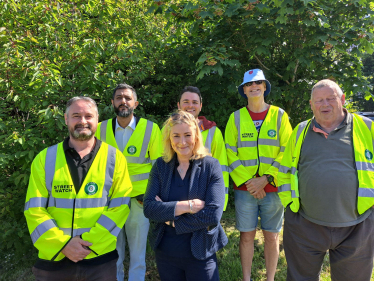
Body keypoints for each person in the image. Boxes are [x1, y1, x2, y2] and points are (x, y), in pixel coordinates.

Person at [24, 97, 132, 281]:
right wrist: (64, 244)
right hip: (55, 259)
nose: (83, 121)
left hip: (99, 260)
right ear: (66, 119)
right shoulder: (45, 158)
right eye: (76, 116)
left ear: (97, 119)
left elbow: (120, 207)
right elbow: (34, 209)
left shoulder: (115, 158)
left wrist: (88, 244)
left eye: (88, 116)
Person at [278, 79, 374, 281]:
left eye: (330, 99)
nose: (325, 104)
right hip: (305, 226)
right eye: (319, 100)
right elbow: (284, 170)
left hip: (357, 226)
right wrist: (290, 206)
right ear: (311, 105)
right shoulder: (300, 131)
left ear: (343, 99)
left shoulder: (366, 127)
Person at [143, 110, 228, 281]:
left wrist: (171, 219)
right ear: (169, 138)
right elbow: (149, 208)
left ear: (196, 135)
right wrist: (186, 206)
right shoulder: (161, 165)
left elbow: (213, 214)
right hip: (167, 252)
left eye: (187, 135)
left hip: (201, 251)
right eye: (176, 136)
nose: (182, 142)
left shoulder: (211, 165)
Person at [225, 69, 292, 281]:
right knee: (246, 236)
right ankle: (247, 279)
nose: (254, 87)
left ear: (265, 87)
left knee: (272, 237)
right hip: (246, 190)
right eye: (249, 84)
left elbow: (287, 150)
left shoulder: (280, 115)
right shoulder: (235, 118)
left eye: (258, 83)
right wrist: (249, 182)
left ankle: (270, 278)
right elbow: (229, 151)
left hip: (272, 188)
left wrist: (265, 179)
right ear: (244, 90)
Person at [95, 83, 162, 281]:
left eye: (127, 97)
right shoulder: (100, 129)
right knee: (112, 253)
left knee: (138, 254)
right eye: (118, 98)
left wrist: (151, 196)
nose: (123, 101)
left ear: (136, 103)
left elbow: (159, 167)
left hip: (139, 200)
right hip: (109, 201)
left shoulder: (151, 129)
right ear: (112, 103)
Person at [177, 86, 229, 210]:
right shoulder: (167, 130)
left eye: (195, 102)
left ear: (200, 106)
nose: (190, 106)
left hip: (204, 200)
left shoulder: (213, 132)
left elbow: (222, 169)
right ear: (179, 105)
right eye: (186, 102)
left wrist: (221, 201)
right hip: (175, 199)